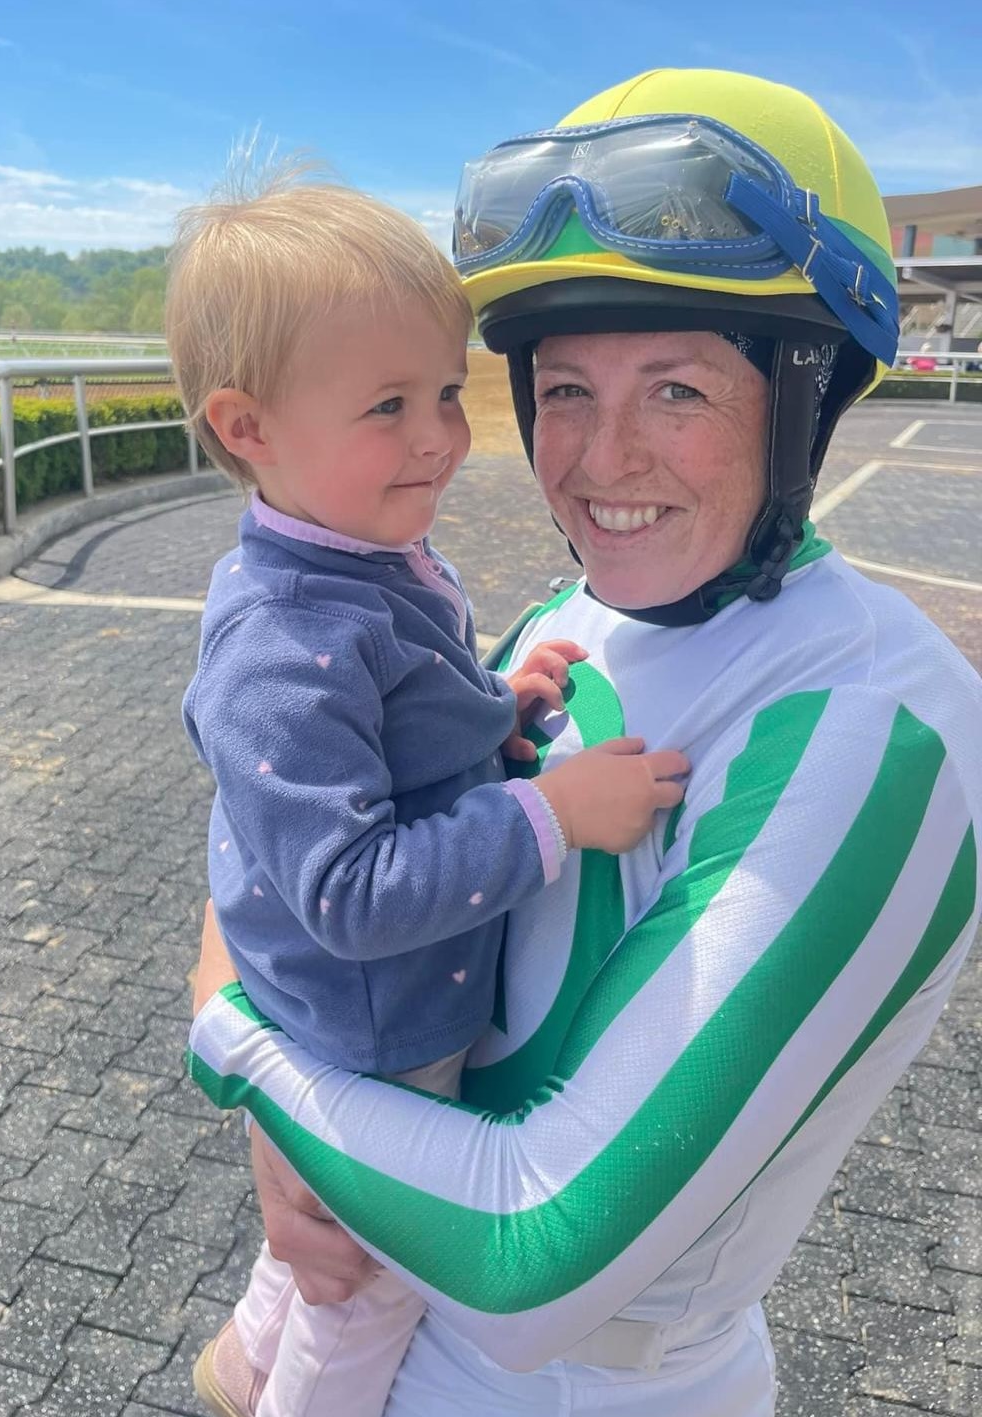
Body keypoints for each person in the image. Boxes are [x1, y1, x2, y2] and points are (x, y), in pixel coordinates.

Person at [187, 69, 982, 1415]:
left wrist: (238, 1047)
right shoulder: (583, 611)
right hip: (380, 1312)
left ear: (809, 398)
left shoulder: (871, 730)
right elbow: (343, 842)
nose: (602, 462)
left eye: (676, 390)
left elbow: (529, 1250)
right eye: (562, 389)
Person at [167, 176, 688, 1417]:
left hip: (353, 1007)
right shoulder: (286, 641)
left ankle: (243, 1360)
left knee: (311, 1251)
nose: (440, 438)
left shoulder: (366, 546)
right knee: (368, 1282)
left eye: (447, 393)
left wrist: (492, 706)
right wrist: (552, 816)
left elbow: (392, 746)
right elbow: (346, 886)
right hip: (380, 1028)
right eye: (389, 406)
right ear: (248, 426)